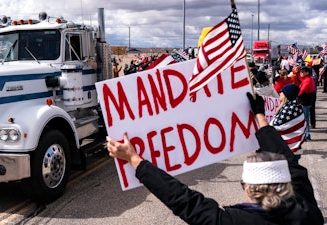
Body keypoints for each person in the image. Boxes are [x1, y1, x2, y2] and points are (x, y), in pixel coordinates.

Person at [106, 93, 323, 225]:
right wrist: (260, 116)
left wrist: (134, 158)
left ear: (247, 187)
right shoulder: (307, 211)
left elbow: (182, 200)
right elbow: (290, 163)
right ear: (285, 183)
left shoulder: (235, 221)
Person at [271, 84, 305, 161]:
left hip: (287, 151)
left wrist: (275, 115)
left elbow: (274, 126)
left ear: (287, 95)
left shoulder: (288, 109)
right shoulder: (296, 106)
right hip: (294, 151)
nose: (279, 93)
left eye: (282, 92)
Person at [298, 66, 316, 139]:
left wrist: (295, 95)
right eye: (300, 71)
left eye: (302, 71)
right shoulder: (307, 79)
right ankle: (306, 133)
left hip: (305, 102)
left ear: (307, 72)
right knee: (305, 118)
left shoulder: (307, 80)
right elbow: (299, 77)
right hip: (306, 101)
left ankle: (307, 134)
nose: (301, 73)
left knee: (305, 119)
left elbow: (301, 91)